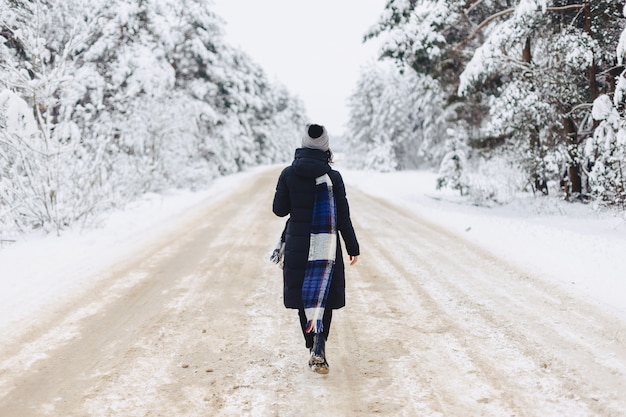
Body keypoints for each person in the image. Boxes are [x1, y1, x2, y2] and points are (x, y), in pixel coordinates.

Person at [272, 123, 360, 374]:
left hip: (299, 243)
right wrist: (352, 246)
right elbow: (343, 217)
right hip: (327, 245)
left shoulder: (288, 174)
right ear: (325, 147)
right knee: (324, 296)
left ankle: (312, 343)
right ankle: (319, 345)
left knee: (304, 295)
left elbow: (279, 210)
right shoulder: (333, 177)